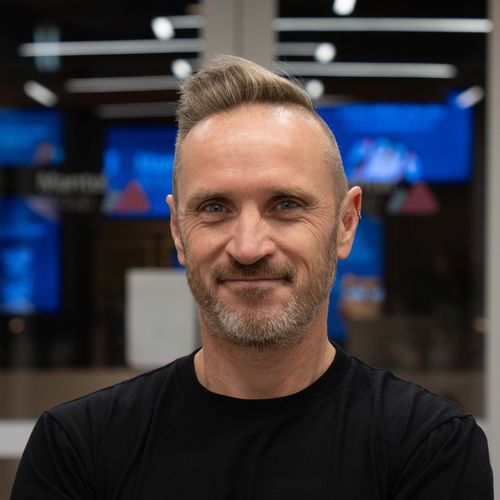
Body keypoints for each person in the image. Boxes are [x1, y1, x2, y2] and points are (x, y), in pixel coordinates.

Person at [11, 55, 493, 499]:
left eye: (285, 204)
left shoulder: (428, 447)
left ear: (346, 224)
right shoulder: (78, 449)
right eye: (214, 208)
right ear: (178, 231)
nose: (248, 247)